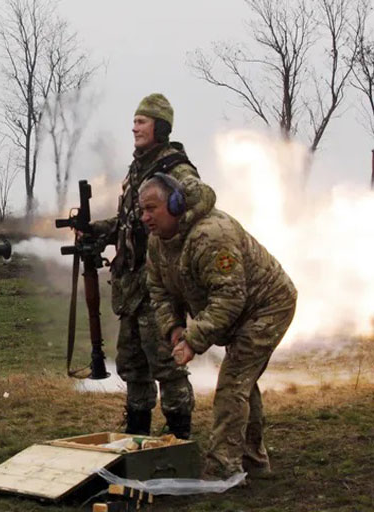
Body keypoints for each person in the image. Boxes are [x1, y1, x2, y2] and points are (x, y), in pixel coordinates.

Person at [140, 174, 297, 479]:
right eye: (142, 210)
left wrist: (193, 341)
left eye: (152, 208)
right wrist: (173, 328)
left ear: (175, 205)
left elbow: (228, 298)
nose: (145, 217)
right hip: (236, 311)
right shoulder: (158, 243)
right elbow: (158, 289)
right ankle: (253, 461)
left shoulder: (211, 235)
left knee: (233, 383)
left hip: (267, 306)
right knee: (241, 383)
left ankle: (223, 468)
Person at [87, 93, 214, 438]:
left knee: (166, 363)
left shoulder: (174, 167)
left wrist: (175, 228)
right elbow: (133, 220)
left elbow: (202, 197)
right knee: (133, 365)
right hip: (131, 286)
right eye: (134, 121)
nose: (134, 127)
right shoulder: (139, 168)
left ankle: (179, 436)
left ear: (159, 127)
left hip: (159, 285)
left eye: (141, 121)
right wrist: (102, 230)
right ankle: (137, 435)